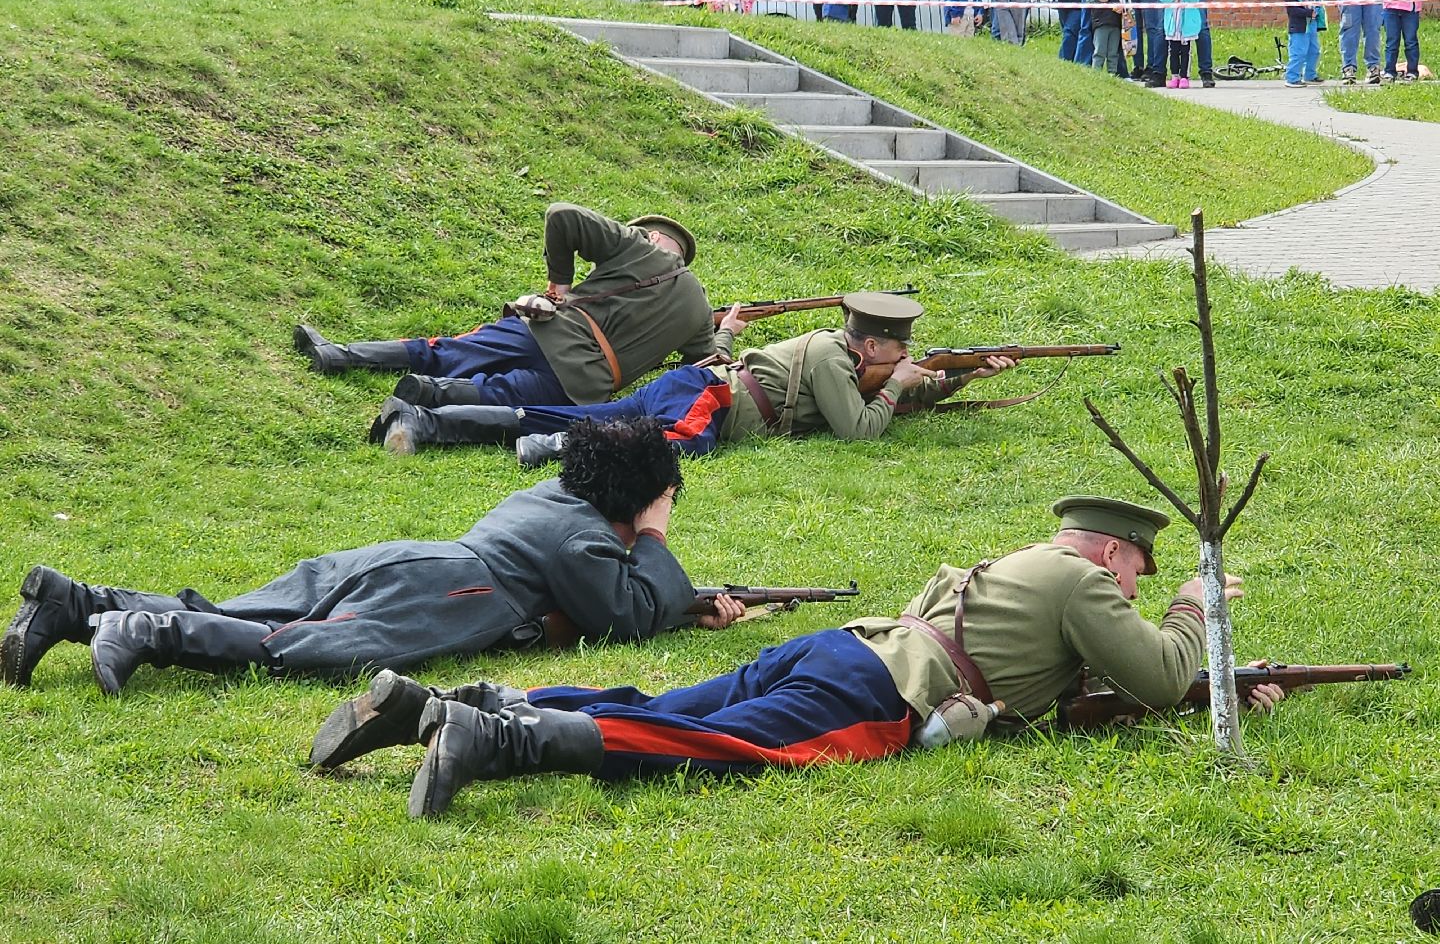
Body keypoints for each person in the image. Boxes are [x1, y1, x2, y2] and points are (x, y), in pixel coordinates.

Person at [309, 496, 1286, 817]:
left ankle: (446, 702)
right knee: (716, 747)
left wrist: (1237, 684)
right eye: (1138, 570)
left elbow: (1091, 685)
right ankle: (495, 741)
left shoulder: (1019, 566)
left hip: (841, 649)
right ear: (1113, 552)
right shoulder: (1083, 585)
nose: (1135, 584)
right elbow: (1156, 677)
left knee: (673, 704)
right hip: (878, 688)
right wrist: (1194, 610)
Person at [1, 419, 742, 696]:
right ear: (636, 495)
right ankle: (146, 632)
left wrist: (687, 598)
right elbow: (626, 615)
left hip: (408, 563)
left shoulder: (554, 499)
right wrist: (655, 533)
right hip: (446, 593)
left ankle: (75, 603)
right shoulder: (583, 536)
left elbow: (610, 597)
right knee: (299, 646)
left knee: (250, 612)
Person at [368, 292, 1017, 462]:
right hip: (709, 402)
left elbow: (891, 393)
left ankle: (427, 422)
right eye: (894, 352)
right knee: (657, 444)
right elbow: (859, 432)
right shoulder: (828, 357)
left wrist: (958, 378)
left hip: (704, 388)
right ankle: (548, 446)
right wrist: (904, 382)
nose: (898, 360)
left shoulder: (845, 359)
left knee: (582, 422)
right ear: (872, 343)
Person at [293, 202, 714, 411]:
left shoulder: (638, 247)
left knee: (442, 351)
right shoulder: (698, 307)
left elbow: (561, 214)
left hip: (548, 332)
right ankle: (426, 393)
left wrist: (559, 286)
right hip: (583, 387)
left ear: (652, 237)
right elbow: (708, 369)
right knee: (498, 395)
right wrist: (726, 330)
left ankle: (336, 356)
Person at [1158, 0, 1204, 88]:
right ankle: (1174, 76)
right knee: (1173, 51)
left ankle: (1185, 76)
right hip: (1173, 25)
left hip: (1187, 26)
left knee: (1186, 52)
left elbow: (1195, 0)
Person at [1283, 0, 1327, 87]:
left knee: (1314, 50)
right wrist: (1308, 12)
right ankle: (1292, 78)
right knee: (1298, 52)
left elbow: (1318, 2)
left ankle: (1310, 75)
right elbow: (1292, 10)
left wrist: (1318, 12)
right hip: (1299, 26)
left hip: (1312, 24)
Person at [1087, 0, 1129, 74]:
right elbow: (1087, 1)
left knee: (1113, 53)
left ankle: (1112, 74)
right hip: (1100, 24)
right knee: (1099, 51)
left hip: (1116, 25)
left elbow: (1127, 4)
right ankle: (1096, 74)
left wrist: (1122, 9)